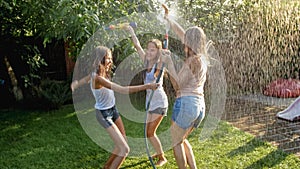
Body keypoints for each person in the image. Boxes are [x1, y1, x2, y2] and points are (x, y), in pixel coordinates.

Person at [71, 46, 159, 169]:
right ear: (100, 59)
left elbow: (86, 79)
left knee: (121, 144)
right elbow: (123, 90)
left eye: (110, 58)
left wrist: (76, 83)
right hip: (103, 114)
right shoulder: (98, 78)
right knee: (124, 149)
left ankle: (107, 166)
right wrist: (148, 86)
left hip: (113, 110)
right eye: (108, 58)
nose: (110, 61)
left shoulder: (99, 74)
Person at [161, 7, 209, 169]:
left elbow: (177, 85)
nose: (183, 41)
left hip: (187, 104)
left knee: (175, 142)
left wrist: (168, 64)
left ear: (190, 42)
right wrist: (169, 19)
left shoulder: (192, 61)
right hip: (199, 107)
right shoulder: (202, 58)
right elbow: (182, 33)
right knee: (182, 139)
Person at [125, 26, 168, 166]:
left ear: (157, 52)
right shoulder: (145, 60)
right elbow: (137, 45)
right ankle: (159, 153)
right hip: (150, 102)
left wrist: (165, 54)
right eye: (148, 49)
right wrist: (131, 31)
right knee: (148, 132)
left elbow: (160, 68)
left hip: (159, 102)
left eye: (152, 50)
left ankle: (162, 158)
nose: (149, 52)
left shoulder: (158, 64)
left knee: (150, 132)